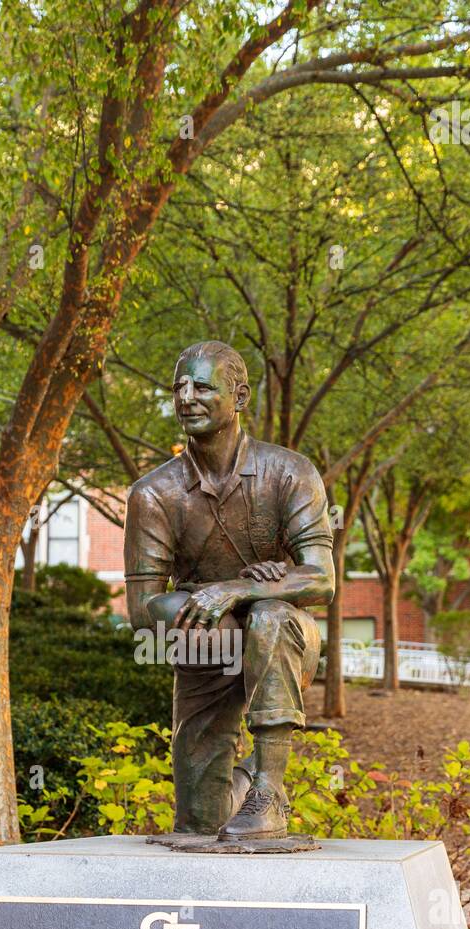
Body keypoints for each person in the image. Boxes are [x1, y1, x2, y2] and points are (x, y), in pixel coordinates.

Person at [124, 340, 335, 839]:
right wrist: (218, 601)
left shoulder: (291, 472)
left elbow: (322, 578)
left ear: (239, 396)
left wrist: (243, 592)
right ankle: (245, 782)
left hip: (285, 637)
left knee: (269, 618)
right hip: (206, 640)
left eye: (202, 386)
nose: (187, 397)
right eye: (179, 387)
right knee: (200, 821)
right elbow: (141, 608)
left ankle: (268, 790)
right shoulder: (154, 493)